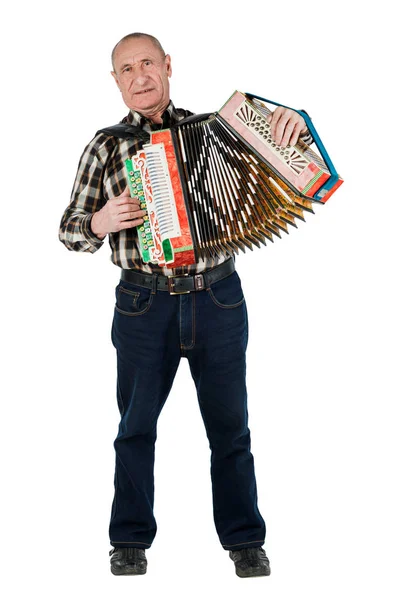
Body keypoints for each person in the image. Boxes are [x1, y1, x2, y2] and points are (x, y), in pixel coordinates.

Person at [59, 32, 310, 578]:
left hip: (218, 296)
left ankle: (245, 540)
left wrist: (293, 124)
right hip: (142, 303)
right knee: (135, 427)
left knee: (231, 427)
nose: (139, 77)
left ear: (168, 66)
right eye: (126, 69)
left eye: (148, 63)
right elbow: (71, 231)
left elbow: (289, 156)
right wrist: (100, 222)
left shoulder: (217, 132)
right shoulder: (106, 145)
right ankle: (128, 540)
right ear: (116, 80)